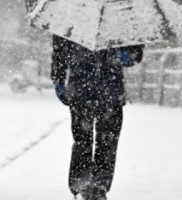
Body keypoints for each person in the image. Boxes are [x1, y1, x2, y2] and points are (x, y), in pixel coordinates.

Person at [51, 34, 144, 200]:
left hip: (102, 89)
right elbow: (60, 49)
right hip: (92, 88)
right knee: (88, 139)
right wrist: (58, 78)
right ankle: (84, 186)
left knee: (101, 140)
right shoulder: (119, 16)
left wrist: (128, 56)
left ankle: (96, 187)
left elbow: (136, 52)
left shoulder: (74, 17)